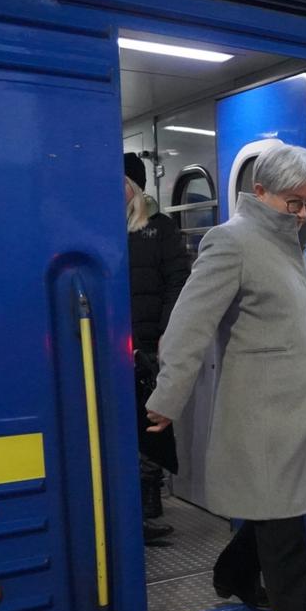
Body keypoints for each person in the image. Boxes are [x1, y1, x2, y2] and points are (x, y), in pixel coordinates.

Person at [145, 144, 306, 611]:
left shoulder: (288, 244)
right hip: (265, 422)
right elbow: (189, 324)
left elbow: (292, 303)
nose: (305, 213)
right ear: (259, 191)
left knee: (279, 517)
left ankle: (232, 571)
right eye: (296, 202)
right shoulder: (232, 241)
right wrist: (168, 397)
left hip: (296, 413)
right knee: (288, 554)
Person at [124, 152, 191, 544]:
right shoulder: (95, 225)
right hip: (109, 347)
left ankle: (148, 506)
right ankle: (128, 511)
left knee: (149, 424)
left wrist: (167, 331)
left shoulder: (160, 229)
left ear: (134, 187)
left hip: (148, 345)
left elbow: (177, 282)